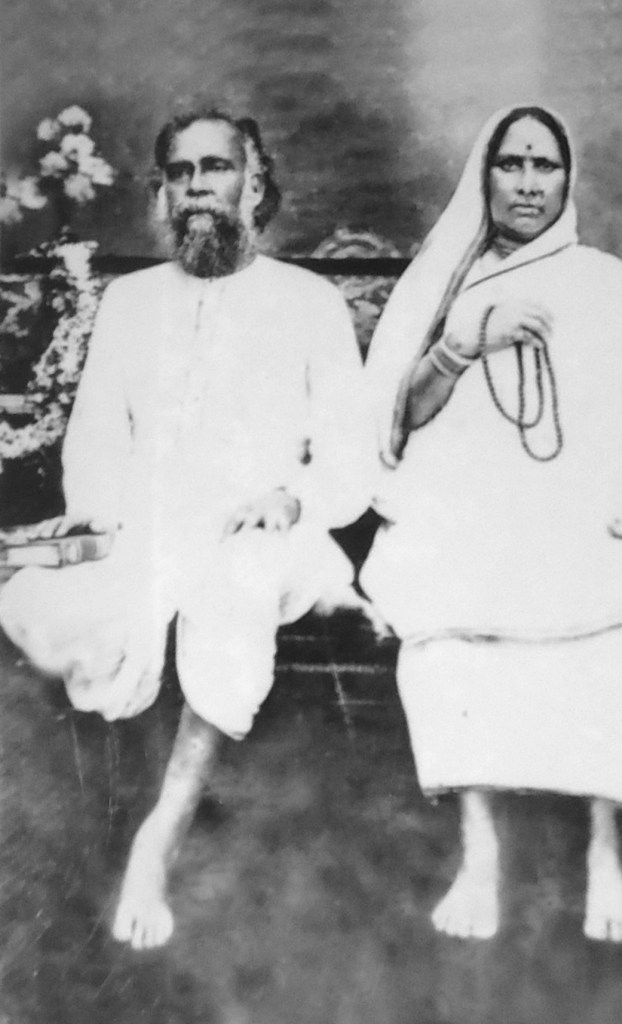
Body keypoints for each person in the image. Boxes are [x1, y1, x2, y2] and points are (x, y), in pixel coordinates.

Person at [0, 108, 371, 949]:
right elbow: (96, 434)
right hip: (147, 518)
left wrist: (292, 499)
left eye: (215, 168)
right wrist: (103, 511)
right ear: (163, 191)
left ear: (255, 182)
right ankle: (98, 804)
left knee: (231, 585)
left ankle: (159, 836)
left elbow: (350, 457)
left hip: (266, 524)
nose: (196, 187)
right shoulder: (129, 301)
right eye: (180, 172)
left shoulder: (308, 301)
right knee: (56, 601)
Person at [361, 105, 622, 943]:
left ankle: (602, 857)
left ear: (566, 178)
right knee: (450, 619)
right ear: (484, 176)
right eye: (509, 164)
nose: (525, 183)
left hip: (583, 499)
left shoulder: (603, 280)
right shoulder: (449, 282)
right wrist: (465, 341)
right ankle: (479, 856)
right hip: (471, 506)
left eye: (542, 165)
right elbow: (397, 419)